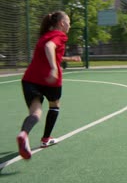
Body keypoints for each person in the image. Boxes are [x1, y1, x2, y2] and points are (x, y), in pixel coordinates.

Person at [16, 11, 81, 160]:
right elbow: (50, 48)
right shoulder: (60, 36)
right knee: (54, 105)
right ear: (62, 23)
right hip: (49, 79)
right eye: (69, 22)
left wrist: (69, 58)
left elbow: (51, 51)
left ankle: (24, 134)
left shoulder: (44, 36)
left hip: (30, 78)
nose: (70, 25)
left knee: (35, 113)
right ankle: (46, 139)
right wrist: (53, 68)